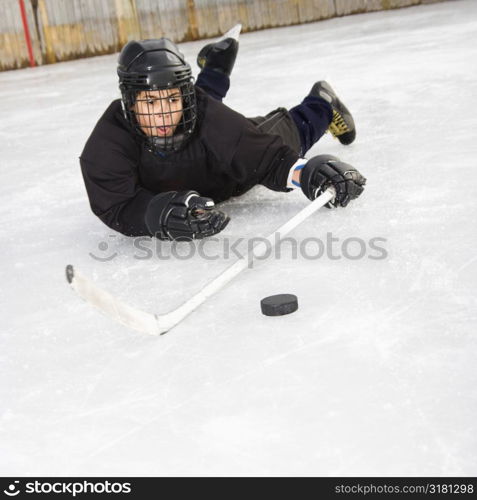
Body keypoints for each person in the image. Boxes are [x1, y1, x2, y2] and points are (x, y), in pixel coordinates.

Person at [80, 37, 366, 241]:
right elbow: (117, 204)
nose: (163, 114)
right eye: (150, 103)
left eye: (172, 98)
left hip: (225, 173)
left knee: (286, 133)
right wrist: (155, 213)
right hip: (193, 168)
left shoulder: (205, 114)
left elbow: (267, 157)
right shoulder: (107, 142)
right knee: (194, 116)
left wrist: (307, 173)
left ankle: (322, 104)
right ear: (130, 102)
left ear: (186, 95)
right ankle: (216, 69)